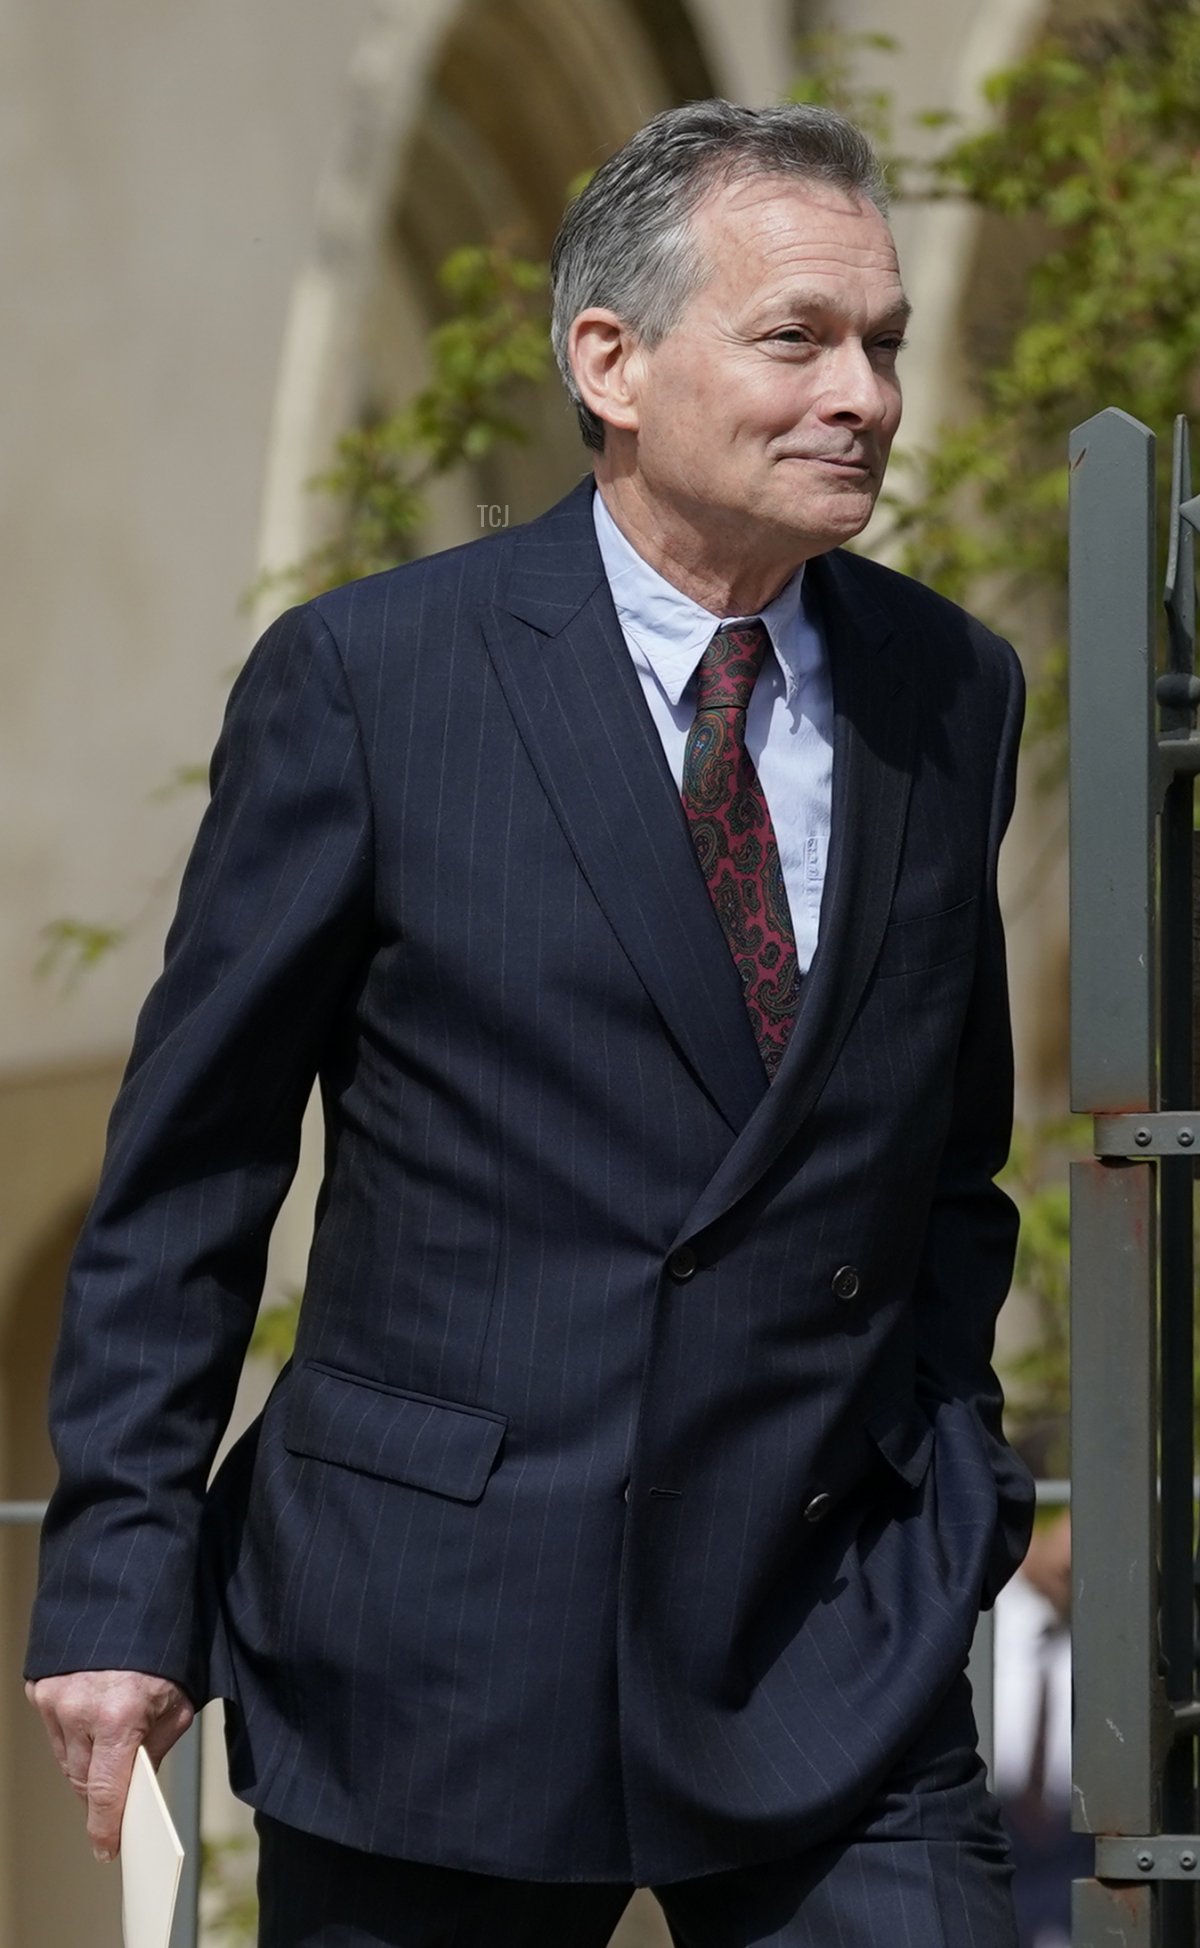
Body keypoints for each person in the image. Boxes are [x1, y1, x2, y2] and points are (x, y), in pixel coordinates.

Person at [25, 99, 1035, 1947]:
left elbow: (946, 1161)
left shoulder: (950, 688)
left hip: (829, 1629)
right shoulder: (370, 680)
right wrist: (115, 1575)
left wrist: (942, 1475)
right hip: (436, 1638)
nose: (869, 394)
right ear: (613, 360)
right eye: (800, 335)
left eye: (882, 341)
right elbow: (194, 1164)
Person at [992, 1508, 1091, 1948]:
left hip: (1076, 1848)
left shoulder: (1105, 1636)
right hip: (987, 1830)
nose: (1071, 1563)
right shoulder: (986, 1616)